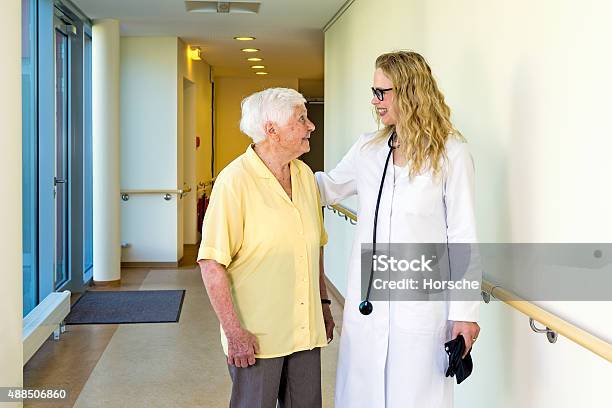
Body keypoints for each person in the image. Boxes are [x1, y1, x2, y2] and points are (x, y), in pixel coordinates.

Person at [315, 51, 481, 407]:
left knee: (415, 394)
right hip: (370, 301)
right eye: (373, 91)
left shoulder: (451, 154)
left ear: (410, 91)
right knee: (362, 391)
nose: (375, 101)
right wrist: (274, 168)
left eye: (382, 92)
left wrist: (464, 316)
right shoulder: (368, 149)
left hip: (420, 304)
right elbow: (326, 187)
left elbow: (463, 237)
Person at [197, 87, 335, 408]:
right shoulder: (234, 181)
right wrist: (234, 333)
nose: (310, 125)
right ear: (271, 130)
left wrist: (324, 305)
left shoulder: (303, 176)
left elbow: (315, 249)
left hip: (304, 329)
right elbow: (211, 264)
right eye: (301, 119)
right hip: (257, 338)